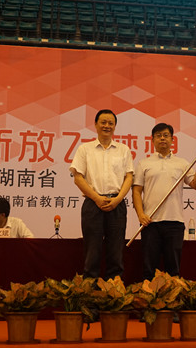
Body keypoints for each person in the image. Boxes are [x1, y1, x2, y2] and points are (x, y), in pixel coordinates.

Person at [133, 123, 196, 280]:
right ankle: (149, 294)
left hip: (174, 223)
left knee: (173, 269)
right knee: (149, 269)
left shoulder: (182, 163)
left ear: (172, 140)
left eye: (166, 135)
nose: (162, 138)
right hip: (150, 223)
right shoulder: (144, 163)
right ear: (152, 140)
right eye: (158, 136)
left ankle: (173, 295)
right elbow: (137, 191)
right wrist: (140, 214)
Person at [70, 109, 134, 279]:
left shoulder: (123, 150)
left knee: (116, 251)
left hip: (117, 204)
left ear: (115, 126)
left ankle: (114, 289)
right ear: (96, 125)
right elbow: (78, 178)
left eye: (110, 123)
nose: (107, 126)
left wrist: (118, 199)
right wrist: (97, 198)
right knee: (92, 251)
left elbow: (129, 177)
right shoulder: (85, 149)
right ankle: (90, 288)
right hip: (93, 204)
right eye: (103, 122)